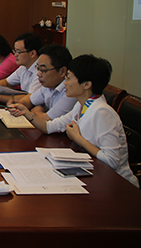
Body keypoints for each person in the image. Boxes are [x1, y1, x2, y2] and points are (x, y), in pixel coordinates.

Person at [8, 55, 139, 187]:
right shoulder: (81, 105)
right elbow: (49, 127)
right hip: (94, 173)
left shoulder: (102, 112)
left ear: (86, 84)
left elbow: (112, 162)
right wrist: (28, 114)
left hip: (117, 185)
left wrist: (78, 138)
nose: (65, 83)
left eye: (69, 78)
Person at [8, 44, 77, 122]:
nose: (38, 74)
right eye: (38, 68)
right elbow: (29, 101)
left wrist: (37, 110)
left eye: (43, 70)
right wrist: (17, 104)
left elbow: (47, 120)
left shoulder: (70, 91)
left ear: (62, 71)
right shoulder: (48, 85)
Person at [0, 32, 43, 104]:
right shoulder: (23, 67)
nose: (15, 55)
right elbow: (5, 82)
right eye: (15, 51)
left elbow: (30, 98)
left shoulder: (41, 71)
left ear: (32, 53)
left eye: (19, 52)